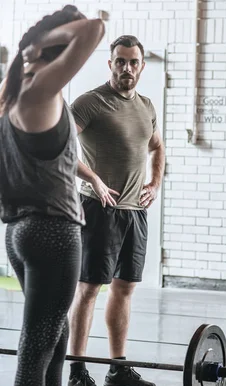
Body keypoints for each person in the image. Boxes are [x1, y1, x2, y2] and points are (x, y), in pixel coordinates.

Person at [0, 6, 105, 386]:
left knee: (55, 334)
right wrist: (36, 43)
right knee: (37, 348)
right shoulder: (39, 90)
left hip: (19, 232)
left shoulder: (10, 96)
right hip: (53, 233)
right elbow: (94, 28)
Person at [67, 35, 165, 386]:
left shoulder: (147, 106)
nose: (127, 68)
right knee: (90, 288)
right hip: (99, 208)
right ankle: (77, 370)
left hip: (134, 212)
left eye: (133, 62)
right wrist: (92, 177)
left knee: (124, 288)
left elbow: (157, 147)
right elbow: (61, 144)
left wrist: (155, 184)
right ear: (110, 64)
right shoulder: (90, 103)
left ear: (141, 65)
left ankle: (117, 369)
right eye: (120, 61)